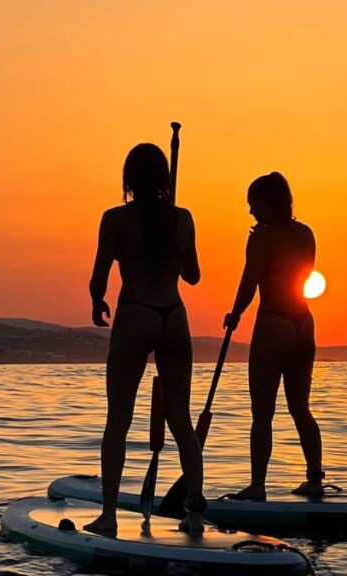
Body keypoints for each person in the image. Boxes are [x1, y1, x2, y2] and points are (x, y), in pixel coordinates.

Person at [85, 143, 205, 536]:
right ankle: (195, 514)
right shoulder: (183, 218)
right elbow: (193, 276)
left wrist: (97, 301)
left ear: (129, 179)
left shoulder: (115, 218)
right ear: (166, 180)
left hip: (135, 310)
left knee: (118, 420)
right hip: (173, 315)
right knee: (181, 421)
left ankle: (108, 515)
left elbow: (100, 275)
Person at [224, 172, 325, 500]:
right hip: (304, 324)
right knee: (301, 408)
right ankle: (314, 478)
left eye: (254, 203)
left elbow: (249, 282)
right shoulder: (306, 234)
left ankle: (257, 487)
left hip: (273, 323)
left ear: (270, 201)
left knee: (262, 412)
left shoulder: (261, 237)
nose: (251, 211)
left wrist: (235, 314)